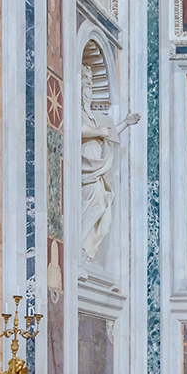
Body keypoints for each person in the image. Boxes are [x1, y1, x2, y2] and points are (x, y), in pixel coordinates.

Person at [80, 87, 141, 264]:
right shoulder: (77, 111)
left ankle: (87, 252)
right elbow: (75, 128)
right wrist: (98, 131)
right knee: (95, 206)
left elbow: (110, 134)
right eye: (86, 86)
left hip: (99, 170)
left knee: (105, 217)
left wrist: (126, 123)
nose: (89, 91)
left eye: (91, 87)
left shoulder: (94, 116)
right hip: (87, 168)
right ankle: (80, 249)